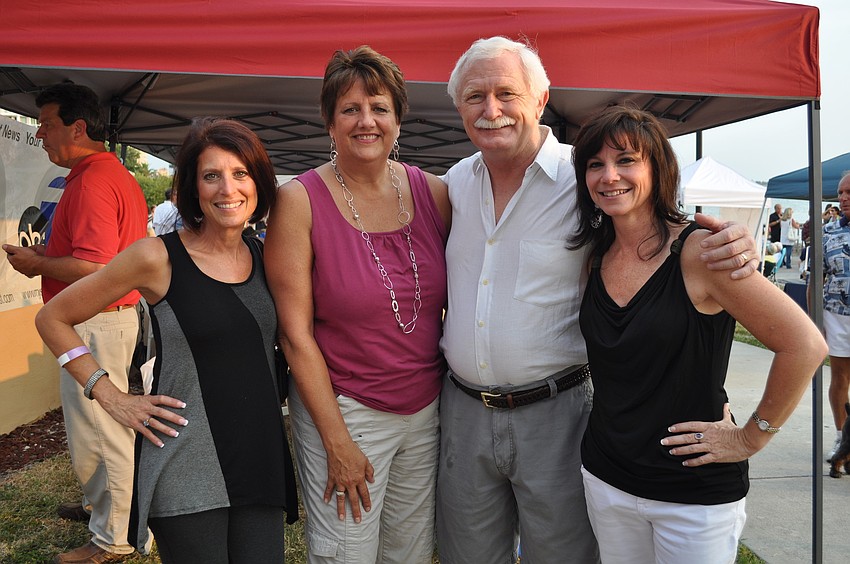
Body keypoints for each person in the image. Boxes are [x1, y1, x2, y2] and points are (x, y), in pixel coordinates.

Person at [435, 36, 761, 564]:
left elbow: (656, 229)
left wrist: (732, 242)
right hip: (464, 411)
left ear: (540, 101)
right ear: (459, 108)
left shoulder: (587, 178)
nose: (490, 110)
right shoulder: (453, 185)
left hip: (558, 412)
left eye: (506, 93)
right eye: (475, 97)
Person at [570, 105, 826, 564]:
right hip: (606, 477)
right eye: (595, 164)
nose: (609, 176)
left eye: (626, 160)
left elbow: (804, 345)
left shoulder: (703, 251)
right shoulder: (594, 255)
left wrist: (751, 437)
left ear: (658, 169)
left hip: (692, 491)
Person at [35, 117, 297, 563]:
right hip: (187, 463)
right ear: (193, 188)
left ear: (259, 183)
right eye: (211, 176)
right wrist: (111, 394)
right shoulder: (157, 257)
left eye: (241, 174)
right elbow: (53, 318)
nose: (227, 189)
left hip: (258, 455)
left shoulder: (267, 256)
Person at [264, 46, 451, 563]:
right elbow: (294, 334)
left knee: (409, 552)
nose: (366, 121)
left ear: (398, 118)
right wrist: (337, 442)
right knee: (345, 552)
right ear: (329, 121)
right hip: (346, 407)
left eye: (379, 107)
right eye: (350, 109)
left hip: (425, 407)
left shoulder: (433, 193)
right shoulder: (298, 201)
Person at [2, 83, 148, 563]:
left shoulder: (91, 180)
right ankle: (102, 513)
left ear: (77, 127)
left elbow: (95, 269)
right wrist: (48, 257)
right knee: (100, 433)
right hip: (101, 321)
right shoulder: (107, 174)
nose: (40, 134)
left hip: (96, 323)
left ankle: (116, 540)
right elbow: (99, 260)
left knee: (103, 435)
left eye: (46, 124)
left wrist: (37, 264)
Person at [824, 173, 850, 462]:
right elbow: (815, 279)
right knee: (840, 377)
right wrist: (814, 321)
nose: (843, 197)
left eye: (849, 192)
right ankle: (843, 438)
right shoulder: (828, 231)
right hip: (837, 314)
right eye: (840, 193)